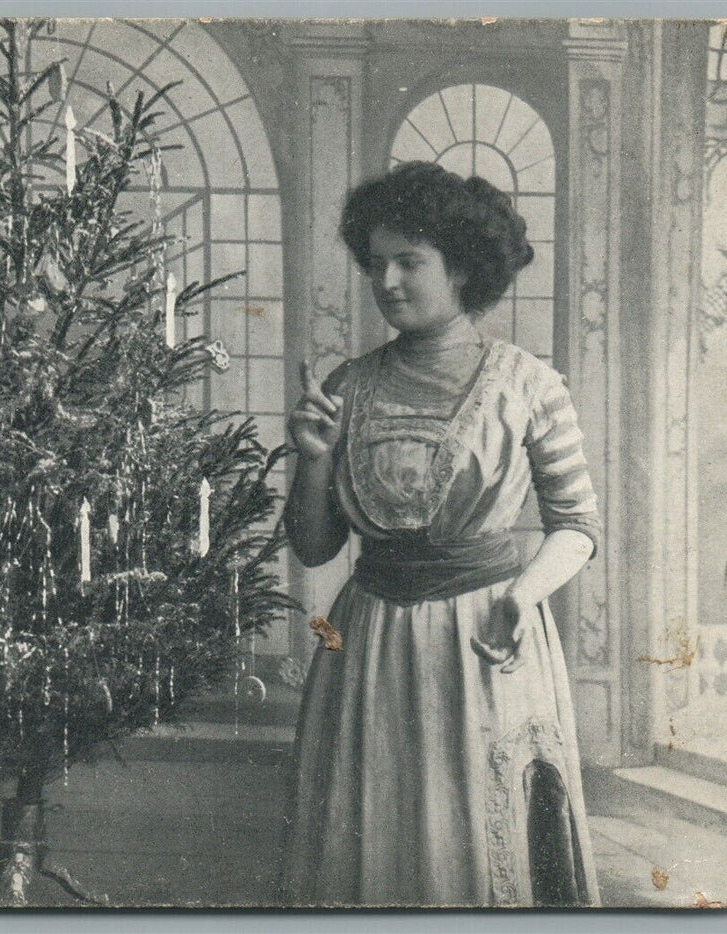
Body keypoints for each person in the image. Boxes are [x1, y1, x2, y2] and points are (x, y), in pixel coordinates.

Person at [280, 161, 602, 907]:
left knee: (474, 842)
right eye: (375, 264)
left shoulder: (528, 385)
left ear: (460, 268)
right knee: (373, 832)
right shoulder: (347, 386)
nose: (386, 281)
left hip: (486, 633)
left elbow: (578, 524)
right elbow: (315, 548)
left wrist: (524, 595)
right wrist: (314, 458)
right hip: (370, 643)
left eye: (408, 262)